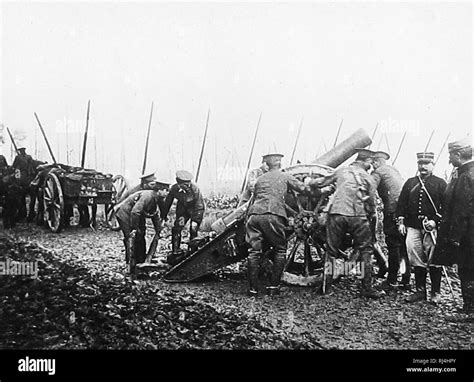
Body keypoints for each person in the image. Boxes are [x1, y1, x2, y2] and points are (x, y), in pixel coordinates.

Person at [310, 148, 384, 299]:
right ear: (367, 161)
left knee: (330, 251)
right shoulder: (368, 178)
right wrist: (369, 214)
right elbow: (371, 203)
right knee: (365, 251)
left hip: (337, 214)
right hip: (357, 216)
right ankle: (367, 288)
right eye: (371, 161)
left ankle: (326, 287)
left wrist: (309, 181)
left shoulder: (342, 171)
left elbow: (321, 182)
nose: (371, 164)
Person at [245, 153, 313, 296]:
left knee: (254, 252)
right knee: (280, 249)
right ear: (279, 164)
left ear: (267, 165)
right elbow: (305, 190)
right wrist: (321, 189)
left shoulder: (260, 179)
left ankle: (253, 289)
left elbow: (255, 196)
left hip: (254, 216)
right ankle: (273, 287)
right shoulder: (285, 176)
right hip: (272, 214)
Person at [396, 152, 447, 304]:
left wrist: (435, 220)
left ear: (433, 164)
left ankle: (435, 293)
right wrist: (401, 222)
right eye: (420, 163)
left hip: (431, 228)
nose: (423, 166)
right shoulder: (410, 182)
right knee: (416, 258)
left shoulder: (440, 183)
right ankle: (420, 291)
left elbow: (446, 206)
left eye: (426, 163)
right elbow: (401, 204)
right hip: (412, 226)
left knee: (434, 259)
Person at [434, 137, 473, 321]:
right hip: (469, 231)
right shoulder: (465, 173)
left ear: (458, 155)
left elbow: (462, 210)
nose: (449, 159)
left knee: (467, 269)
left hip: (467, 234)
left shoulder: (466, 176)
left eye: (451, 155)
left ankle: (469, 311)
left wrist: (454, 237)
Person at [371, 150, 410, 290]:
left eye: (372, 163)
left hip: (392, 211)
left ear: (375, 162)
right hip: (404, 211)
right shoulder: (393, 170)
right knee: (404, 245)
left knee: (393, 244)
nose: (371, 165)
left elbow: (369, 190)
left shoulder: (378, 172)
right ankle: (406, 280)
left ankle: (391, 280)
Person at [116, 178, 170, 273]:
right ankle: (130, 264)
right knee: (131, 237)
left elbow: (154, 213)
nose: (167, 193)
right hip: (125, 214)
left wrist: (158, 229)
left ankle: (141, 260)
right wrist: (134, 228)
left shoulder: (157, 198)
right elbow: (135, 212)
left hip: (137, 215)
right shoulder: (148, 196)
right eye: (165, 190)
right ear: (159, 190)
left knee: (141, 235)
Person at [162, 170, 205, 264]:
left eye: (188, 183)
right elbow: (168, 202)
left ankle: (193, 252)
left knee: (193, 229)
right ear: (178, 182)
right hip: (182, 211)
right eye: (184, 184)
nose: (187, 185)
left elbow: (199, 205)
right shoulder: (174, 189)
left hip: (195, 210)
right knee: (177, 228)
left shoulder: (195, 189)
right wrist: (164, 215)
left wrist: (196, 220)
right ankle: (175, 251)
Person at [12, 147, 35, 221]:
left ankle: (23, 214)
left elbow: (14, 166)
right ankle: (31, 214)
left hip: (23, 177)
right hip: (30, 176)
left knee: (21, 196)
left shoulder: (18, 157)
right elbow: (32, 166)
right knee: (32, 197)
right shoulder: (29, 157)